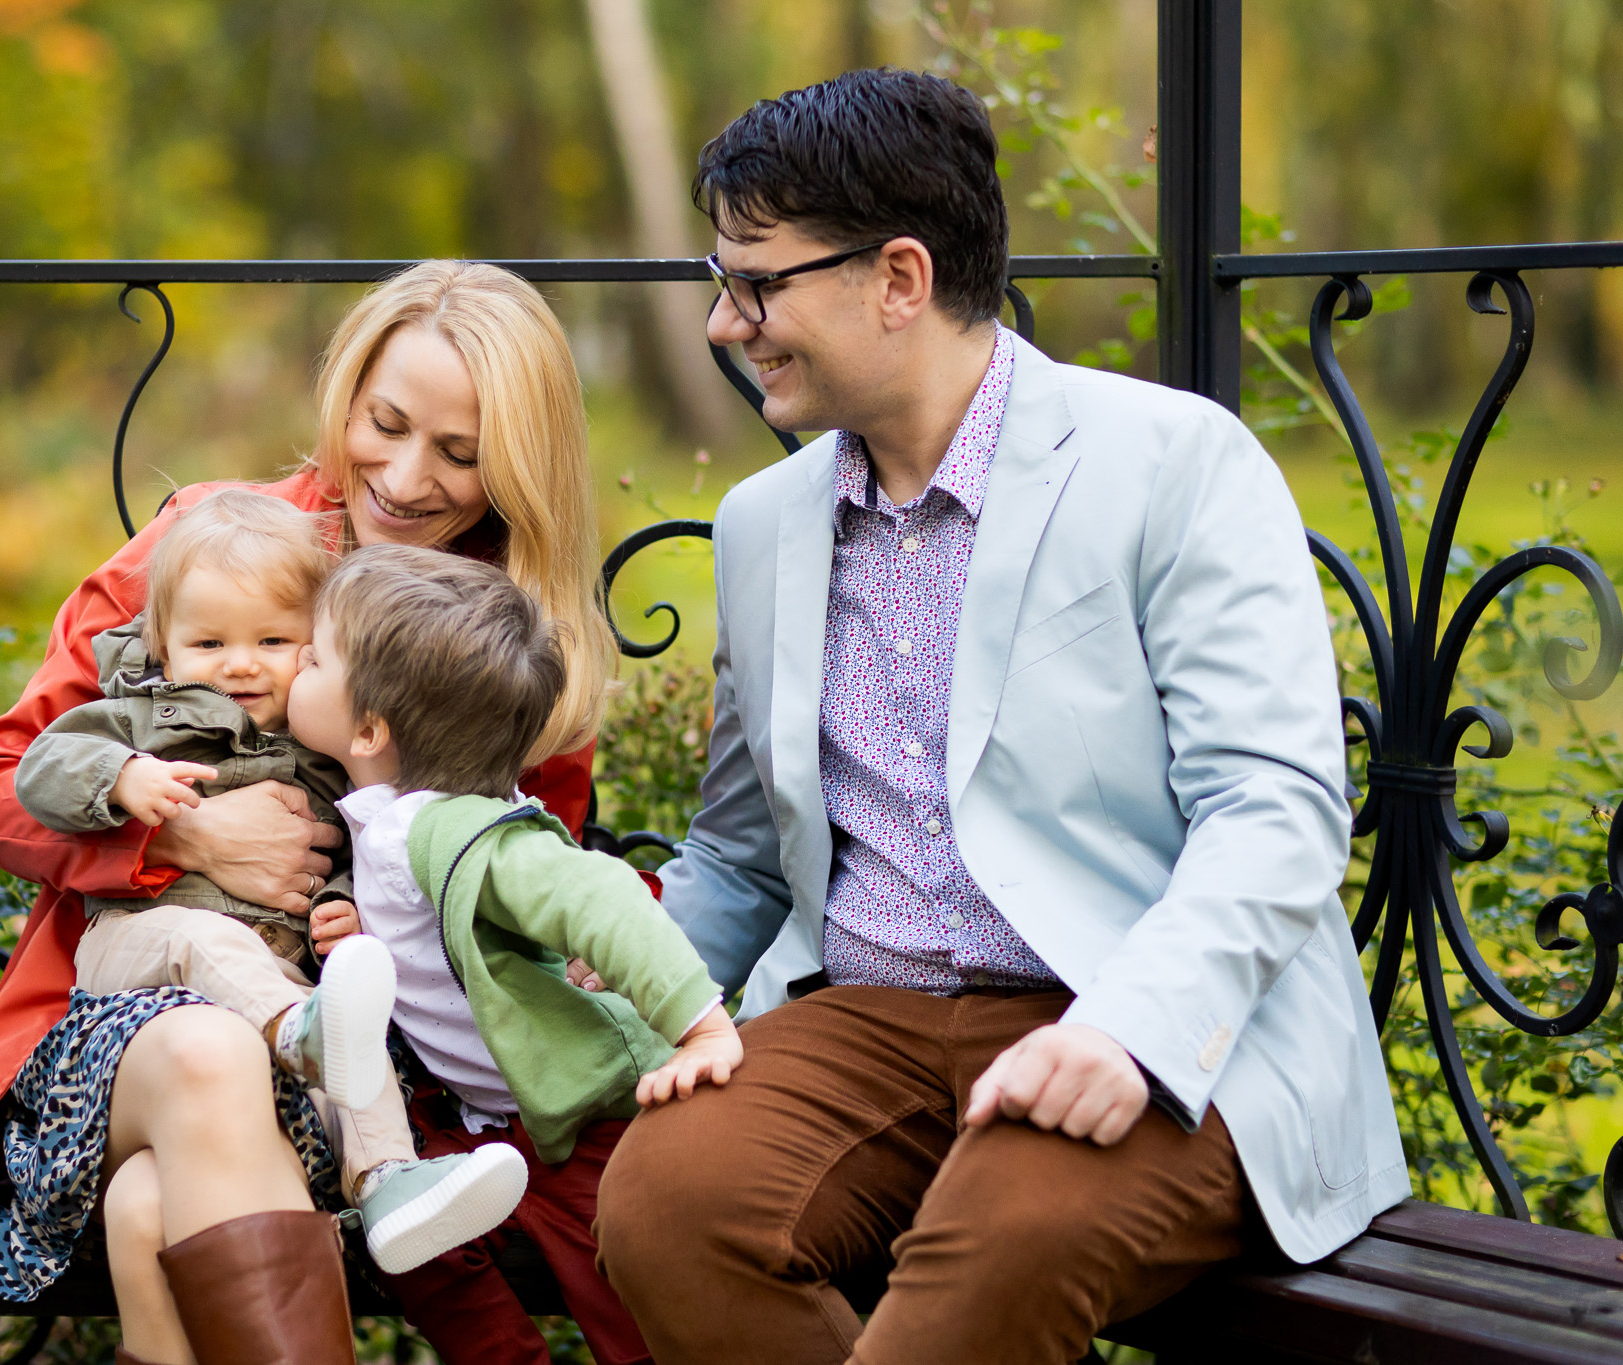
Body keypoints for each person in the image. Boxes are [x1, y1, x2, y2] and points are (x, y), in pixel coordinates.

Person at [592, 68, 1409, 1365]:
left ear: (897, 278)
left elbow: (1275, 811)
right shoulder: (762, 527)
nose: (721, 323)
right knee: (667, 1203)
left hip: (1137, 1007)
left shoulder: (1173, 464)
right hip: (868, 1019)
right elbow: (740, 858)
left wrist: (1130, 1030)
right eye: (720, 281)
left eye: (755, 284)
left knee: (1004, 1233)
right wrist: (591, 976)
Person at [0, 260, 617, 1365]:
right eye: (383, 424)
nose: (404, 478)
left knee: (150, 1207)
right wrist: (177, 835)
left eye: (459, 452)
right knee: (211, 1053)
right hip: (133, 1033)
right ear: (346, 396)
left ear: (519, 463)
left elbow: (521, 890)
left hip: (356, 1078)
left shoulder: (505, 634)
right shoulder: (216, 544)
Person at [6, 485, 529, 1275]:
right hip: (143, 949)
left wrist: (341, 909)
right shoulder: (144, 713)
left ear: (314, 645)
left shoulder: (326, 751)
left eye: (273, 640)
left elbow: (358, 860)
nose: (241, 663)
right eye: (209, 642)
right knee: (212, 941)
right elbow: (40, 766)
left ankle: (388, 1179)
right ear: (163, 645)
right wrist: (121, 777)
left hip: (280, 990)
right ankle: (299, 1032)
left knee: (352, 1036)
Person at [287, 543, 744, 1365]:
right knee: (408, 1231)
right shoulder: (398, 816)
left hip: (592, 1122)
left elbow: (599, 894)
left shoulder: (450, 827)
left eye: (313, 658)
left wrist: (700, 1026)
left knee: (641, 1310)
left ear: (369, 728)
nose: (294, 665)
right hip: (490, 1119)